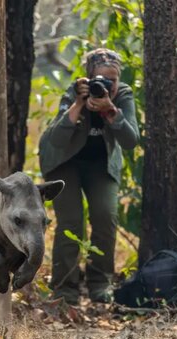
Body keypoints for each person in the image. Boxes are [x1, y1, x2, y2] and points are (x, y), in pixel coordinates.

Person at [38, 48, 139, 305]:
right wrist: (79, 104)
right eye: (100, 80)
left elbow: (130, 141)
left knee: (105, 216)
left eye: (112, 80)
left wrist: (111, 111)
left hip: (100, 164)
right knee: (71, 221)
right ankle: (65, 289)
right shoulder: (76, 91)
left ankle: (100, 283)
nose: (106, 85)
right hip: (64, 161)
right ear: (89, 77)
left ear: (119, 78)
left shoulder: (123, 95)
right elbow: (59, 140)